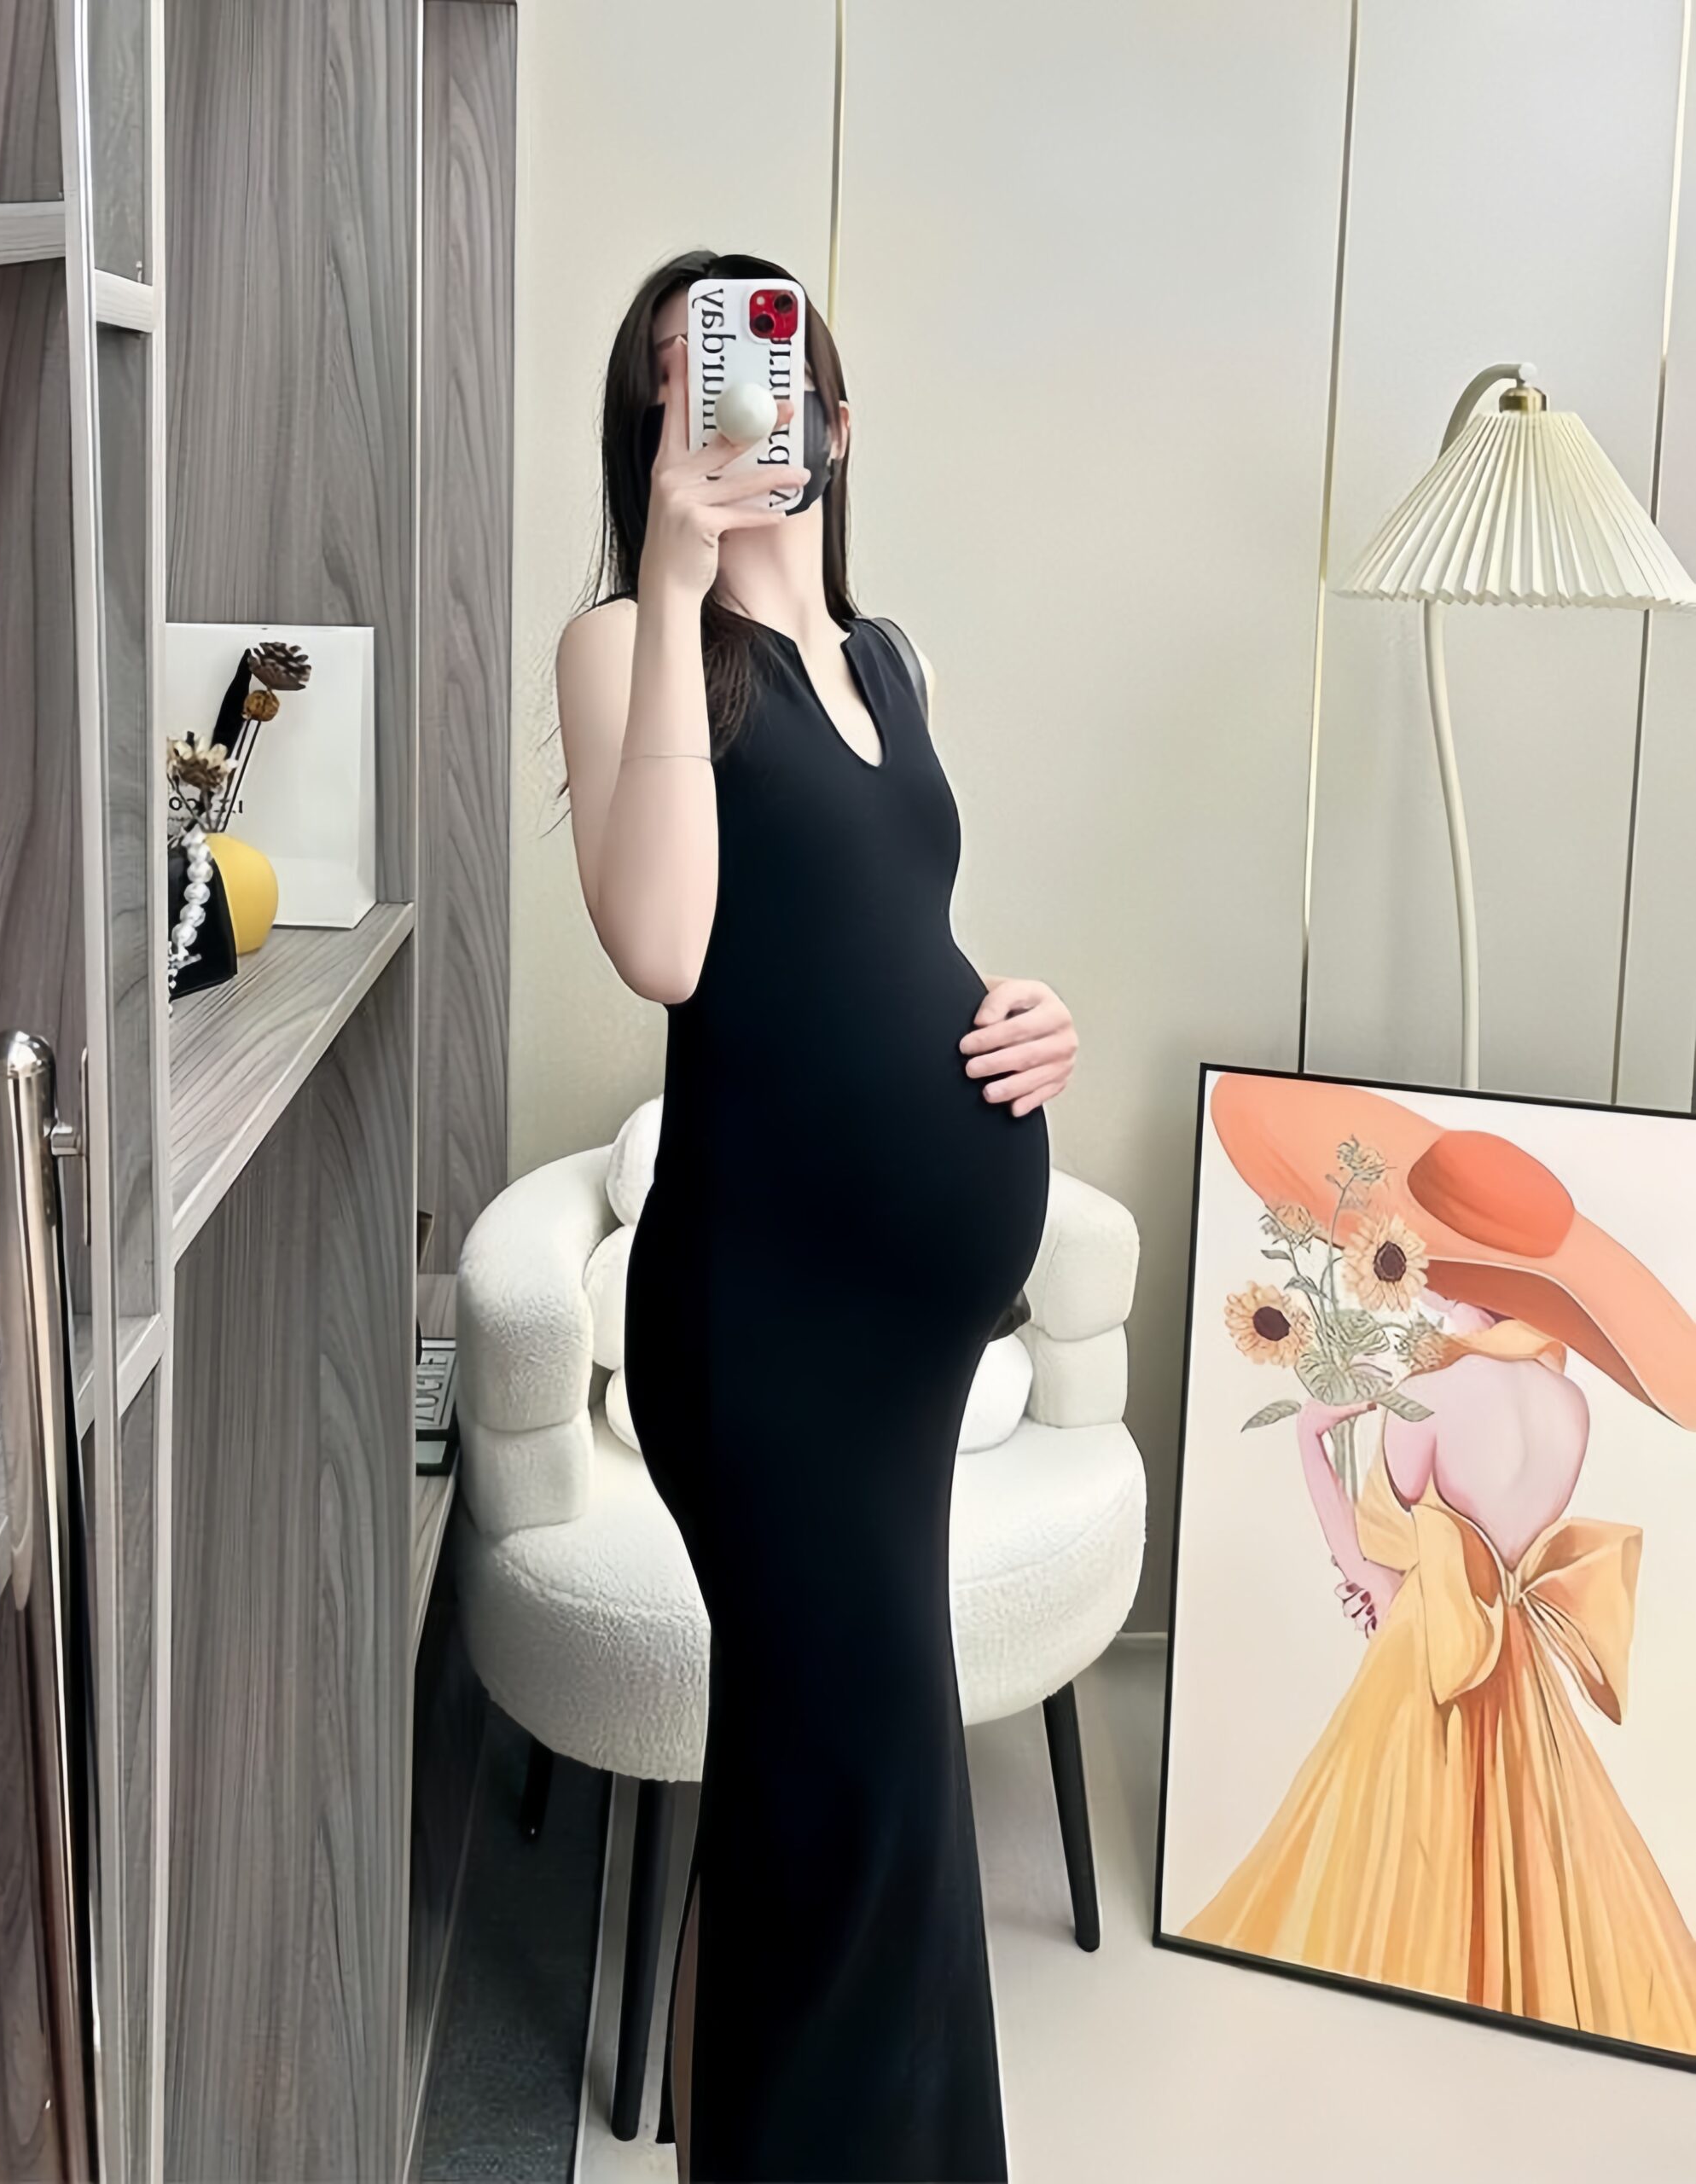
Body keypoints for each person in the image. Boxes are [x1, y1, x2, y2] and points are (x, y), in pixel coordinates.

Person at [553, 249, 1079, 2183]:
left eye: (761, 375)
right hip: (761, 1328)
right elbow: (666, 943)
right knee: (852, 1788)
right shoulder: (627, 645)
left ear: (831, 423)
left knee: (846, 1781)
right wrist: (676, 572)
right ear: (643, 433)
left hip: (901, 1334)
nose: (718, 410)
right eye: (676, 386)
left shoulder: (888, 660)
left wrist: (1020, 1011)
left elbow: (890, 922)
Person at [1184, 1072, 1696, 2055]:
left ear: (1443, 1264)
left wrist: (1317, 1449)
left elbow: (1368, 1539)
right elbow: (1490, 1543)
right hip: (1513, 1657)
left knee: (1392, 1855)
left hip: (1430, 1650)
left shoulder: (1433, 1391)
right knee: (1525, 1849)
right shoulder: (1568, 1406)